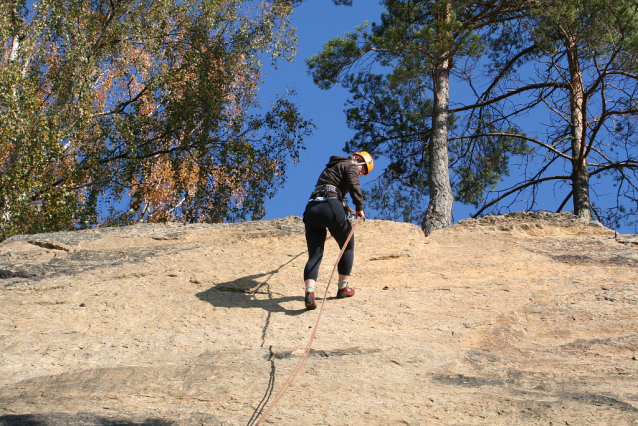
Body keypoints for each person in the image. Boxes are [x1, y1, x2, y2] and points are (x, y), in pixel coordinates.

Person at [302, 151, 374, 310]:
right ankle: (343, 288)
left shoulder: (331, 167)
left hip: (312, 208)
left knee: (315, 254)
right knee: (347, 246)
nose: (361, 174)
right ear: (358, 160)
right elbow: (354, 185)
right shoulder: (351, 165)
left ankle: (309, 291)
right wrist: (359, 208)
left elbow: (331, 188)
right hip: (330, 206)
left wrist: (343, 206)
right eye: (363, 170)